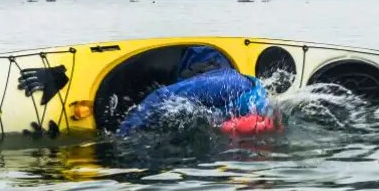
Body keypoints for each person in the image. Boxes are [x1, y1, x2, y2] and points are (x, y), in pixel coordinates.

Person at [117, 45, 279, 136]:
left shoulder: (259, 108)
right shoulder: (226, 86)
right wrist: (123, 136)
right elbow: (158, 98)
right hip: (202, 66)